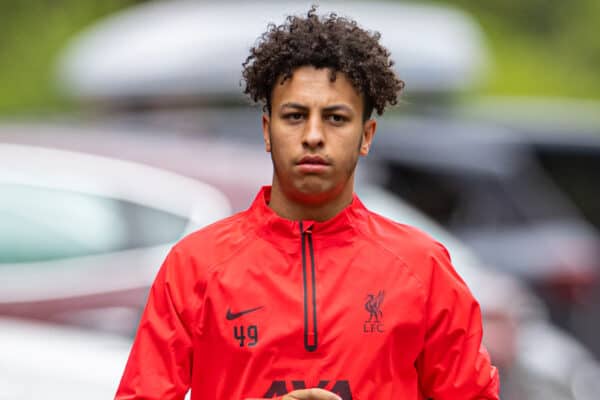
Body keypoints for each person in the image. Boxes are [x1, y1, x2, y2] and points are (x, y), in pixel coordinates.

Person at [115, 6, 500, 400]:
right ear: (268, 131)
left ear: (366, 135)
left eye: (335, 118)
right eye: (295, 116)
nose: (313, 135)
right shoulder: (194, 266)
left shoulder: (423, 268)